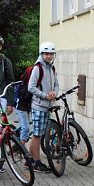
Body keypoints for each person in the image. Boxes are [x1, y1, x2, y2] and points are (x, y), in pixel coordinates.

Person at [27, 42, 61, 172]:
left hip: (48, 106)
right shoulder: (38, 68)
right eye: (46, 54)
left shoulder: (52, 68)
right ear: (42, 54)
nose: (49, 56)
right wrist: (44, 96)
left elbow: (56, 85)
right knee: (37, 135)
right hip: (38, 106)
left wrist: (54, 93)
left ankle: (30, 160)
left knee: (40, 135)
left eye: (51, 54)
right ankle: (35, 162)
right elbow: (31, 87)